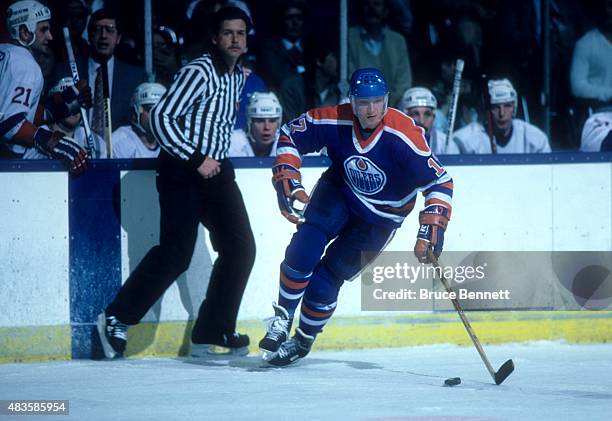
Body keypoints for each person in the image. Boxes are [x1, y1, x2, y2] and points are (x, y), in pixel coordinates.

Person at [259, 68, 454, 366]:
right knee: (305, 245)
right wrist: (287, 169)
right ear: (352, 101)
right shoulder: (335, 118)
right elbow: (290, 134)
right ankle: (283, 317)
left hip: (381, 217)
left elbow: (440, 182)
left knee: (326, 281)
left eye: (378, 101)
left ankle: (303, 339)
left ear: (387, 100)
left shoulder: (403, 135)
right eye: (363, 102)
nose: (371, 109)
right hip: (341, 191)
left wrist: (431, 228)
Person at [96, 6, 256, 359]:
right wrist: (197, 159)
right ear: (214, 37)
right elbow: (162, 118)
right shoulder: (199, 71)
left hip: (215, 169)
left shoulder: (237, 76)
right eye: (228, 33)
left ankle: (211, 331)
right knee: (176, 253)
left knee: (241, 247)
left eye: (241, 34)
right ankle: (115, 317)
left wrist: (210, 162)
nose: (235, 39)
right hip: (183, 169)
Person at [0, 0, 88, 174]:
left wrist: (60, 108)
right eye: (43, 29)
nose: (50, 36)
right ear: (25, 32)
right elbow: (9, 125)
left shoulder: (5, 52)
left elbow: (21, 113)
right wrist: (53, 142)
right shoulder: (24, 64)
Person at [453, 79, 551, 154]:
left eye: (507, 106)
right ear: (487, 111)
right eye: (496, 107)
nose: (502, 113)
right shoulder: (465, 140)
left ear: (514, 108)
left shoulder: (534, 138)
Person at [348, 0, 412, 107]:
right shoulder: (349, 37)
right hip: (359, 106)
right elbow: (349, 76)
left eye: (376, 4)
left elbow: (404, 82)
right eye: (367, 4)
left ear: (386, 10)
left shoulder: (397, 41)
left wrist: (384, 105)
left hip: (392, 107)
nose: (371, 9)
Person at [23, 77, 106, 159]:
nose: (74, 106)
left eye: (78, 101)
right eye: (70, 100)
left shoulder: (95, 142)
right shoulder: (37, 134)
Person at [112, 82, 166, 159]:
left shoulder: (169, 142)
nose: (156, 116)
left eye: (161, 110)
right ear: (136, 111)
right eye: (150, 110)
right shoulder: (120, 142)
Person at [399, 87, 459, 155]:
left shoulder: (446, 144)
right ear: (404, 117)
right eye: (415, 114)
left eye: (427, 114)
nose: (421, 121)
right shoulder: (393, 143)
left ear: (434, 117)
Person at [229, 91, 282, 157]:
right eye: (260, 121)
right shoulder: (232, 142)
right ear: (250, 123)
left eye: (272, 121)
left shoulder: (289, 144)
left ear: (278, 123)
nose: (267, 127)